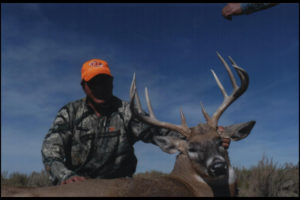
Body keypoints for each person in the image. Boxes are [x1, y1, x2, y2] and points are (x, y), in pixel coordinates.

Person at [41, 59, 231, 185]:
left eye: (104, 82)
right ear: (84, 86)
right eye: (94, 83)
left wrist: (208, 138)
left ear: (112, 83)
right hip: (78, 187)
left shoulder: (128, 113)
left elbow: (160, 133)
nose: (100, 88)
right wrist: (65, 176)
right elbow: (51, 150)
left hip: (119, 188)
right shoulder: (70, 113)